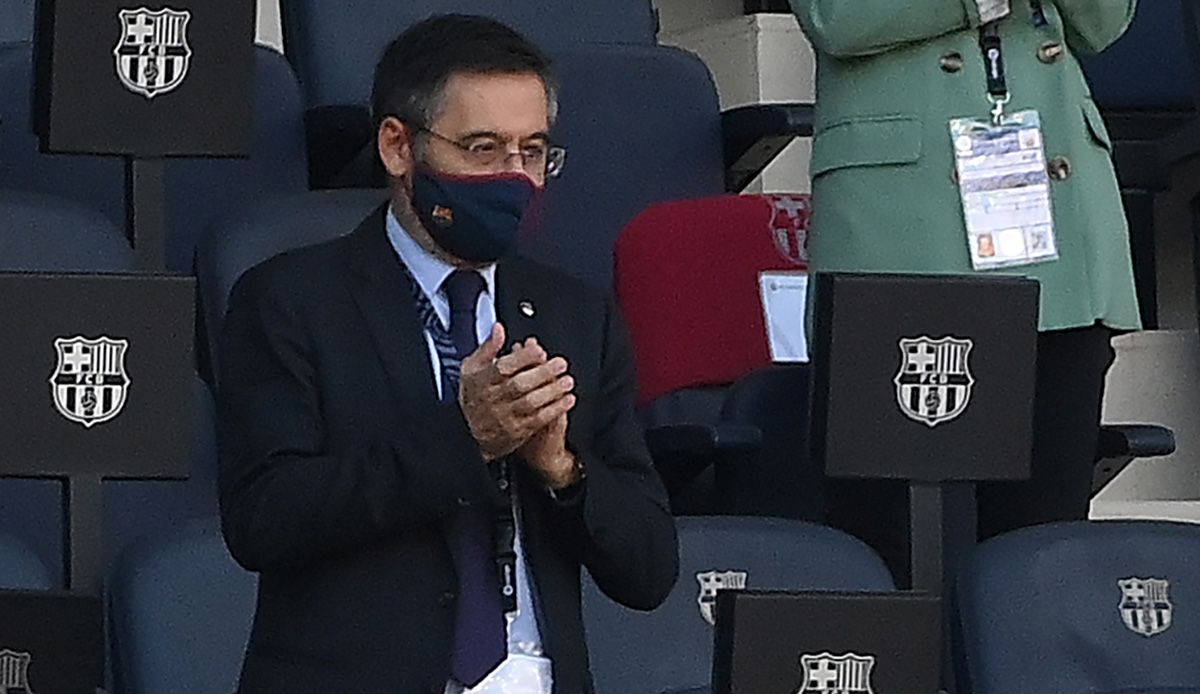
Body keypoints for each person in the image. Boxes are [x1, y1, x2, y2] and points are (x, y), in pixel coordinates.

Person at [216, 15, 679, 694]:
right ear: (399, 147)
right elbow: (265, 520)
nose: (513, 178)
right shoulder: (290, 300)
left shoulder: (577, 316)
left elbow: (648, 570)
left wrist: (561, 467)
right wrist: (466, 441)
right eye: (484, 149)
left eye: (533, 152)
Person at [791, 0, 1141, 580]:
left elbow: (1102, 23)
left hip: (1058, 236)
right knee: (898, 550)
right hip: (900, 230)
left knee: (1042, 555)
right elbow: (839, 16)